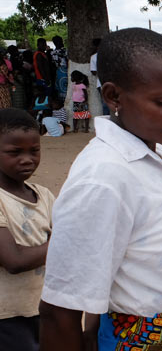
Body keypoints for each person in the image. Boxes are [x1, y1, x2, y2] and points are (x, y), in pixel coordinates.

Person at [39, 28, 162, 351]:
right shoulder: (103, 178)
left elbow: (109, 265)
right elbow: (59, 313)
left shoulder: (155, 150)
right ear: (113, 97)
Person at [0, 108, 55, 351]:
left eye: (34, 150)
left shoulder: (44, 196)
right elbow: (14, 260)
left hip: (44, 307)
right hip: (7, 317)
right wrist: (60, 242)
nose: (27, 159)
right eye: (14, 152)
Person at [51, 36, 68, 101]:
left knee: (60, 88)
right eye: (61, 41)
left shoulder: (52, 53)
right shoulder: (65, 51)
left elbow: (52, 65)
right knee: (65, 87)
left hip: (58, 72)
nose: (62, 42)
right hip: (65, 71)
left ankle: (62, 103)